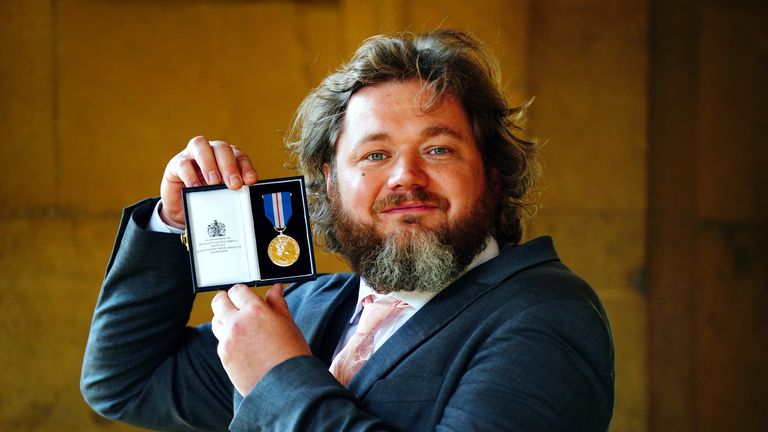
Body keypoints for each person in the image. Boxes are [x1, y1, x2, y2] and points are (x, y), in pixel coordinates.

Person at [81, 30, 614, 431]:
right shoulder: (305, 306)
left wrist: (277, 378)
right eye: (375, 154)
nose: (406, 176)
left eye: (438, 149)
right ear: (330, 189)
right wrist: (172, 221)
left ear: (493, 176)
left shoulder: (548, 315)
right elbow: (123, 381)